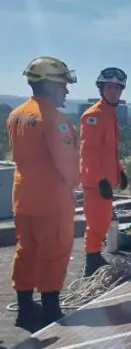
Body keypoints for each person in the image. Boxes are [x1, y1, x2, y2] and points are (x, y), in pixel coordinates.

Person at [7, 56, 79, 330]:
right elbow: (66, 164)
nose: (67, 91)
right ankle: (51, 311)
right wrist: (78, 183)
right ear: (49, 85)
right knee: (54, 252)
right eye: (63, 85)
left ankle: (25, 309)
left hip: (23, 196)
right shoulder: (54, 118)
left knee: (26, 251)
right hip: (52, 201)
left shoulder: (17, 114)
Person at [80, 67, 128, 277]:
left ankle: (95, 256)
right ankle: (91, 264)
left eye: (117, 88)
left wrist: (120, 171)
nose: (114, 92)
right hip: (96, 182)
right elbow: (88, 152)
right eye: (109, 87)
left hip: (106, 180)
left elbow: (110, 151)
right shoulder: (94, 115)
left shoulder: (110, 115)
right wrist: (100, 180)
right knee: (96, 223)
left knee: (103, 220)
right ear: (101, 89)